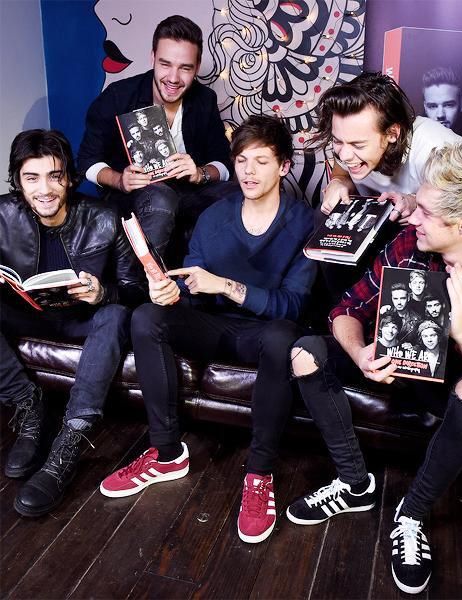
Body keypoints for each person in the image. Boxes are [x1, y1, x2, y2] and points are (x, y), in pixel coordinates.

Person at [286, 143, 462, 594]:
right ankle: (353, 483)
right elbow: (345, 308)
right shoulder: (410, 242)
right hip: (391, 363)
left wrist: (461, 331)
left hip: (454, 383)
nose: (412, 216)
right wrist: (361, 352)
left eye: (424, 210)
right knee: (306, 351)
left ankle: (412, 514)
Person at [100, 115, 317, 544]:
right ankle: (166, 454)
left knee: (281, 337)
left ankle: (259, 474)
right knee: (146, 316)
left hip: (264, 333)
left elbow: (291, 305)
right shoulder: (214, 215)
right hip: (213, 327)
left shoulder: (306, 223)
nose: (249, 172)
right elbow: (194, 291)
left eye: (261, 161)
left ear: (285, 167)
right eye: (241, 161)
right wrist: (172, 293)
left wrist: (226, 286)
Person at [0, 129, 146, 517]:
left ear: (68, 176)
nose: (44, 189)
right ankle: (27, 404)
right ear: (18, 180)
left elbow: (135, 292)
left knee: (115, 315)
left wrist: (102, 294)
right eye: (31, 178)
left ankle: (68, 441)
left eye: (54, 176)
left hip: (83, 321)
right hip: (28, 315)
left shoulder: (103, 217)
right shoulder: (2, 214)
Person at [78, 15, 234, 261]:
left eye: (185, 68)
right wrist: (120, 179)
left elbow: (224, 164)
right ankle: (146, 286)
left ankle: (218, 287)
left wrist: (200, 173)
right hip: (134, 196)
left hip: (188, 194)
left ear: (197, 65)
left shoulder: (204, 100)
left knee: (239, 194)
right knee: (161, 197)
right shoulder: (118, 97)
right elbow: (87, 161)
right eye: (165, 64)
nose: (173, 78)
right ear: (152, 58)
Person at [313, 72, 462, 300]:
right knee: (324, 216)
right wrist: (339, 181)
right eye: (338, 141)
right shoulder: (348, 141)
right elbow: (341, 167)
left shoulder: (435, 147)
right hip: (382, 225)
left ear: (392, 134)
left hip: (427, 234)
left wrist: (415, 202)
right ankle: (345, 311)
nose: (345, 154)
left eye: (358, 144)